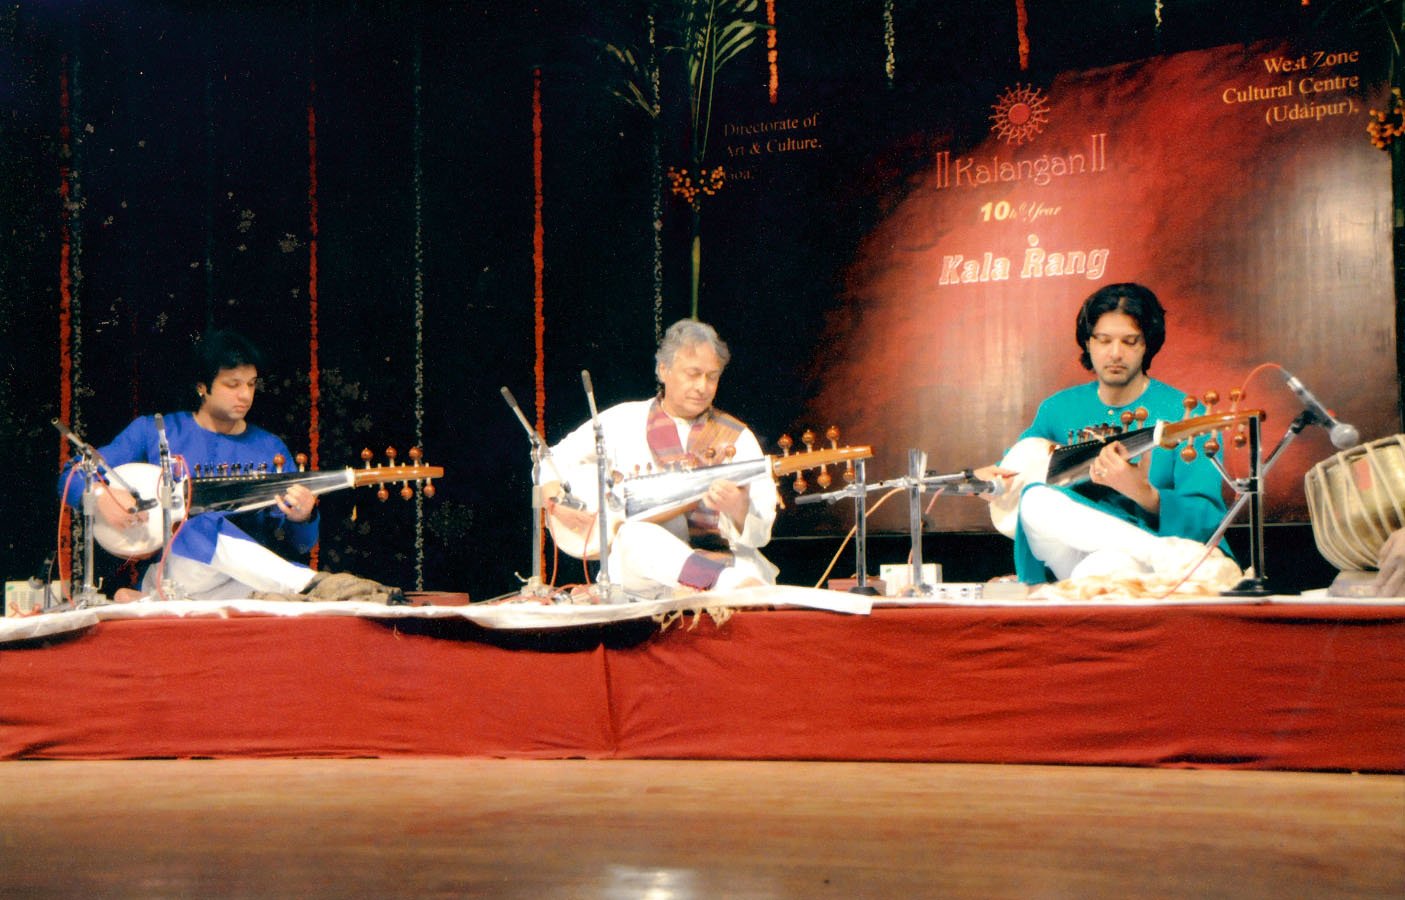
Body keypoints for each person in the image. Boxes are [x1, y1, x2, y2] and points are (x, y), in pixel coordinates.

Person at [59, 329, 400, 603]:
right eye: (232, 385)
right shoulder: (155, 431)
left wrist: (305, 516)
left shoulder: (270, 448)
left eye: (251, 385)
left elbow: (300, 544)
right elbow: (71, 475)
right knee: (199, 524)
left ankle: (151, 600)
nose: (245, 396)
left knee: (271, 593)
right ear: (202, 387)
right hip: (179, 568)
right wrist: (102, 497)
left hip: (241, 579)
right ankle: (315, 585)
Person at [977, 283, 1236, 585]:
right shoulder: (1058, 410)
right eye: (1103, 340)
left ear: (1147, 345)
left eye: (1130, 342)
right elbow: (1018, 475)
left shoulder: (1186, 415)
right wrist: (989, 485)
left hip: (1148, 561)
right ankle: (1157, 553)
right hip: (1075, 552)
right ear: (1088, 343)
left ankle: (1154, 553)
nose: (1115, 353)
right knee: (1035, 501)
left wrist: (1146, 495)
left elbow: (1208, 519)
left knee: (1099, 570)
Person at [543, 319, 779, 597]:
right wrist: (557, 501)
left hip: (728, 567)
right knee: (633, 536)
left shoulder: (736, 438)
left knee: (633, 535)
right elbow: (549, 460)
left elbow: (761, 535)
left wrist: (739, 508)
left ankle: (718, 582)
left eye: (712, 376)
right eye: (693, 374)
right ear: (664, 370)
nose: (702, 386)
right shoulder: (623, 420)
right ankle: (720, 584)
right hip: (643, 576)